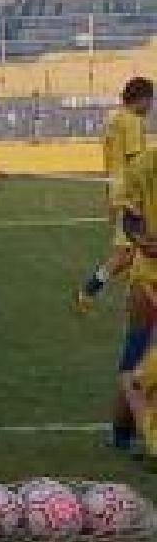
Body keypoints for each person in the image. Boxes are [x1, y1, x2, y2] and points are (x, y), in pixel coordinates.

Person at [75, 76, 154, 312]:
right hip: (131, 196)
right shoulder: (132, 122)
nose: (151, 106)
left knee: (131, 253)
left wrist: (109, 195)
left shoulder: (113, 118)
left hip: (117, 192)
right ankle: (89, 290)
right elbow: (136, 161)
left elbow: (113, 161)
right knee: (129, 252)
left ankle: (133, 295)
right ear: (140, 99)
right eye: (150, 100)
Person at [106, 141, 157, 451]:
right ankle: (128, 433)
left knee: (141, 361)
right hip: (149, 275)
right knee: (136, 354)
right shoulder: (144, 164)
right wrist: (142, 240)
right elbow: (130, 214)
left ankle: (128, 432)